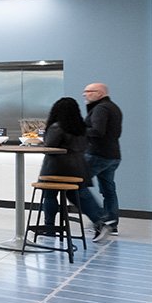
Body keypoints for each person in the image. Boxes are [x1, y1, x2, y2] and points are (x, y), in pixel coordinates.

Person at [39, 98, 91, 237]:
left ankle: (49, 227)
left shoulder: (57, 127)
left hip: (57, 167)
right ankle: (100, 220)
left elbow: (49, 146)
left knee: (49, 195)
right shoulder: (82, 128)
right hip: (78, 168)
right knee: (79, 196)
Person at [79, 81, 123, 240]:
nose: (85, 94)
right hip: (113, 155)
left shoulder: (101, 108)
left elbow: (97, 131)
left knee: (77, 183)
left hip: (98, 154)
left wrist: (78, 130)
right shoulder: (113, 107)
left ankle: (100, 220)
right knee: (108, 190)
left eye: (89, 91)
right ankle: (112, 224)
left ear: (100, 93)